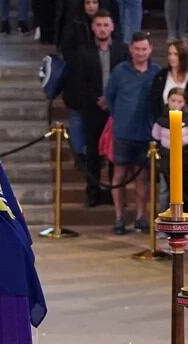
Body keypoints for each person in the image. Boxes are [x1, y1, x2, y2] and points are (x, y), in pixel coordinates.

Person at [61, 10, 126, 207]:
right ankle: (92, 191)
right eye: (99, 25)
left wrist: (111, 100)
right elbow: (80, 81)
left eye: (106, 25)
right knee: (92, 153)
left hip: (116, 111)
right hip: (92, 108)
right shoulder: (84, 51)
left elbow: (124, 79)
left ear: (112, 27)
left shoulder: (122, 51)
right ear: (93, 27)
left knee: (116, 153)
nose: (102, 29)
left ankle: (116, 194)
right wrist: (98, 99)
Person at [105, 32, 160, 235]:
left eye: (144, 49)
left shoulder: (156, 71)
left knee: (142, 177)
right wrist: (120, 116)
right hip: (123, 132)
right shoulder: (119, 71)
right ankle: (119, 216)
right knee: (119, 175)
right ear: (131, 49)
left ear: (150, 49)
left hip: (146, 134)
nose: (140, 53)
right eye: (137, 49)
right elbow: (109, 98)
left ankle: (140, 216)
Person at [151, 88, 188, 211]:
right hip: (166, 159)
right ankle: (163, 220)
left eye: (179, 101)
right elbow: (155, 139)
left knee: (185, 189)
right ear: (168, 101)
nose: (176, 104)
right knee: (164, 190)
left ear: (184, 103)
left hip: (185, 159)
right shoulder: (161, 121)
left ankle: (185, 220)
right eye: (173, 100)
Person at [148, 40, 188, 122]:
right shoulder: (161, 75)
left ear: (183, 56)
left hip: (187, 127)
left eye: (176, 54)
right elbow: (154, 102)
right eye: (170, 54)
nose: (171, 57)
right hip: (164, 126)